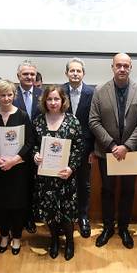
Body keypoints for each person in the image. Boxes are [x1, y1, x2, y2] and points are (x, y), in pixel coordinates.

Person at [89, 53, 137, 249]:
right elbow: (93, 121)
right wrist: (113, 146)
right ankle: (108, 228)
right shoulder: (100, 90)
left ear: (131, 67)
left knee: (128, 191)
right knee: (107, 190)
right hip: (108, 151)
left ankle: (123, 228)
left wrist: (127, 146)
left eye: (126, 66)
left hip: (131, 153)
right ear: (112, 67)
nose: (122, 69)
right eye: (118, 66)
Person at [0, 79, 35, 255]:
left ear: (14, 95)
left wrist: (14, 160)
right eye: (2, 95)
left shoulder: (22, 115)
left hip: (18, 168)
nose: (6, 98)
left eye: (9, 94)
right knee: (0, 204)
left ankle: (17, 237)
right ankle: (4, 235)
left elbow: (29, 142)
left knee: (17, 204)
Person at [33, 85, 84, 260]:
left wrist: (71, 168)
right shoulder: (38, 121)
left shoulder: (72, 121)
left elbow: (79, 148)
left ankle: (70, 242)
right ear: (44, 101)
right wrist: (36, 156)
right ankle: (54, 240)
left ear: (63, 101)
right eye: (50, 99)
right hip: (45, 178)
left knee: (66, 214)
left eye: (56, 99)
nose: (53, 102)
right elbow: (32, 145)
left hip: (65, 177)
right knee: (50, 213)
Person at [62, 58, 95, 238]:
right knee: (64, 183)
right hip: (62, 147)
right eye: (72, 71)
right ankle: (65, 218)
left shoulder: (93, 92)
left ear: (83, 73)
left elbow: (95, 122)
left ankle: (83, 216)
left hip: (85, 148)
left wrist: (93, 150)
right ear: (66, 73)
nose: (75, 74)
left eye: (78, 71)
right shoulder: (59, 91)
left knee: (84, 184)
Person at [13, 59, 42, 234]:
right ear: (18, 76)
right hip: (17, 149)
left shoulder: (42, 94)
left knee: (35, 185)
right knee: (20, 185)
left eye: (32, 74)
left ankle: (32, 217)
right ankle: (21, 218)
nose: (29, 77)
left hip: (38, 147)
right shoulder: (11, 94)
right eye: (25, 74)